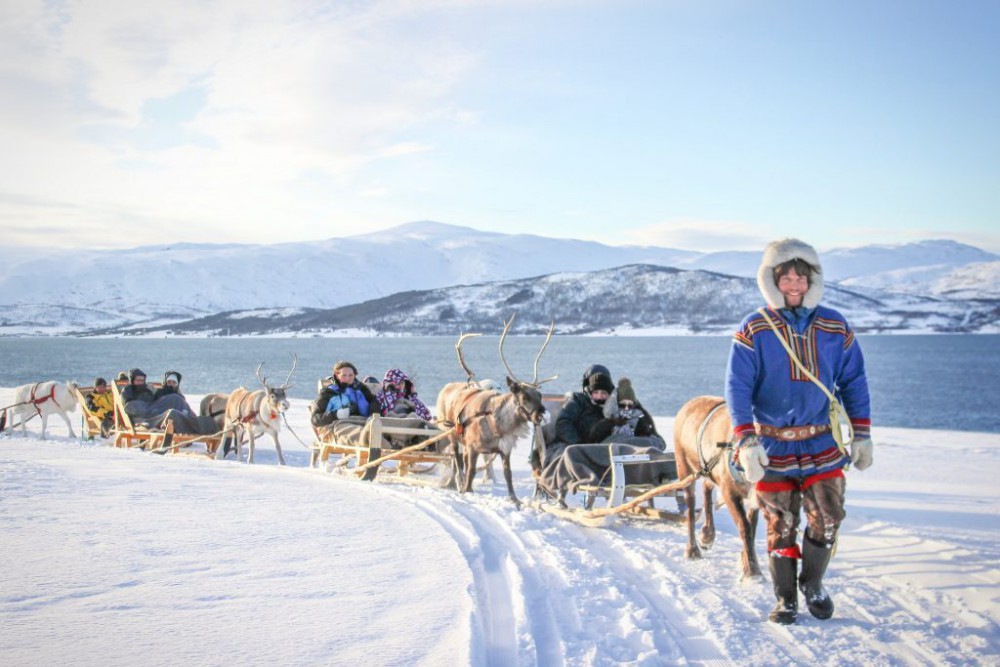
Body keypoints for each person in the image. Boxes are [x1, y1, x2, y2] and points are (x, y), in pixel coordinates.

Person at [725, 238, 873, 625]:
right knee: (780, 524)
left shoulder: (834, 325)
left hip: (822, 442)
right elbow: (738, 386)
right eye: (785, 276)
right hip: (772, 445)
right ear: (772, 280)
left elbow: (854, 380)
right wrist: (745, 438)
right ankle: (785, 598)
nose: (793, 284)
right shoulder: (754, 327)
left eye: (800, 277)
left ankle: (813, 583)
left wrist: (862, 433)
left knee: (828, 517)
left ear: (812, 280)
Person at [310, 361, 378, 428]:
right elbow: (315, 419)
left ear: (354, 375)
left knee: (380, 430)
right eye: (344, 375)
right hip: (340, 424)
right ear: (337, 375)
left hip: (364, 422)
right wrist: (336, 414)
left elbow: (374, 403)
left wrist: (372, 414)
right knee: (357, 433)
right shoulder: (328, 393)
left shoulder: (362, 390)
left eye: (350, 375)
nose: (347, 378)